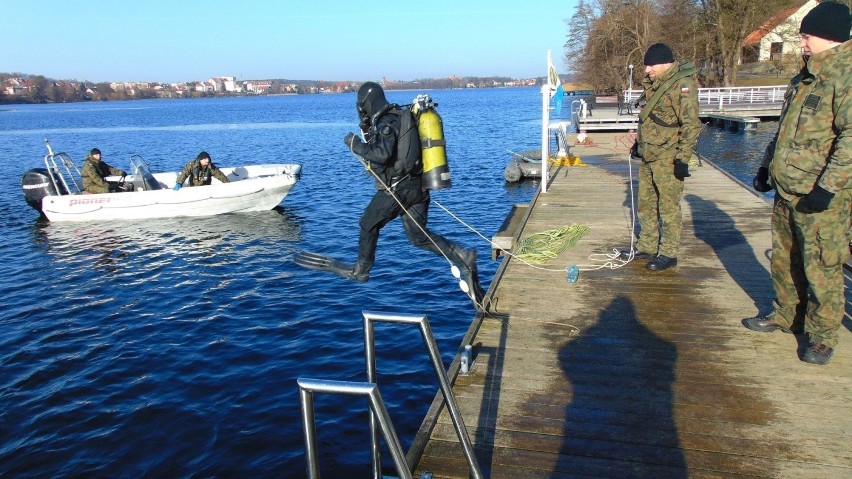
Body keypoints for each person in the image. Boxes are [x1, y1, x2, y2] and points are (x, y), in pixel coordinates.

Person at [297, 82, 484, 309]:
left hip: (399, 189)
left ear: (367, 102)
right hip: (418, 187)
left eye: (361, 105)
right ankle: (463, 256)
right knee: (418, 237)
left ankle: (361, 270)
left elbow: (381, 154)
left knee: (367, 224)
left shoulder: (387, 122)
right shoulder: (399, 115)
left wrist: (354, 144)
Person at [743, 1, 851, 366]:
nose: (802, 43)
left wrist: (828, 187)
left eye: (806, 36)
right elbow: (785, 132)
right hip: (788, 188)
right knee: (786, 259)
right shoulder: (804, 78)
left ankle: (821, 337)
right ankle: (786, 314)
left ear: (827, 36)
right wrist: (764, 168)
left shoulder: (845, 76)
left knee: (821, 265)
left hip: (822, 195)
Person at [620, 43, 701, 271]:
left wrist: (682, 159)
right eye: (646, 65)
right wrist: (638, 144)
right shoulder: (656, 85)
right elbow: (651, 118)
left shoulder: (682, 85)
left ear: (666, 63)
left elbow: (691, 124)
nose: (647, 70)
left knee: (668, 206)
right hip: (649, 153)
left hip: (668, 156)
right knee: (646, 203)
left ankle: (668, 252)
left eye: (651, 65)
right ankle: (646, 245)